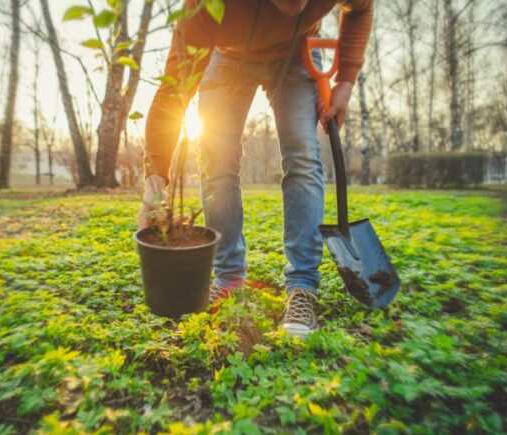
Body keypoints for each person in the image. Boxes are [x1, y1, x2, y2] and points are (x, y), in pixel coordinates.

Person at [138, 0, 373, 338]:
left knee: (303, 156)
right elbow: (173, 90)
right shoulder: (206, 6)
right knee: (216, 159)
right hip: (227, 55)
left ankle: (303, 286)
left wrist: (346, 82)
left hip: (296, 54)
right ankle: (229, 279)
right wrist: (155, 181)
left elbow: (361, 9)